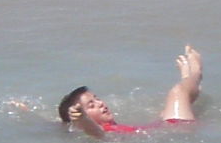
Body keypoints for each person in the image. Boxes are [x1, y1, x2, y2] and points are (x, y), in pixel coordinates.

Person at [59, 48, 202, 137]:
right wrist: (81, 119)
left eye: (96, 98)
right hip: (178, 130)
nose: (100, 103)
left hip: (166, 127)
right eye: (91, 105)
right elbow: (92, 130)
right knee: (178, 93)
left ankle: (189, 84)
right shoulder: (102, 132)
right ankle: (195, 74)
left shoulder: (110, 127)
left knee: (168, 108)